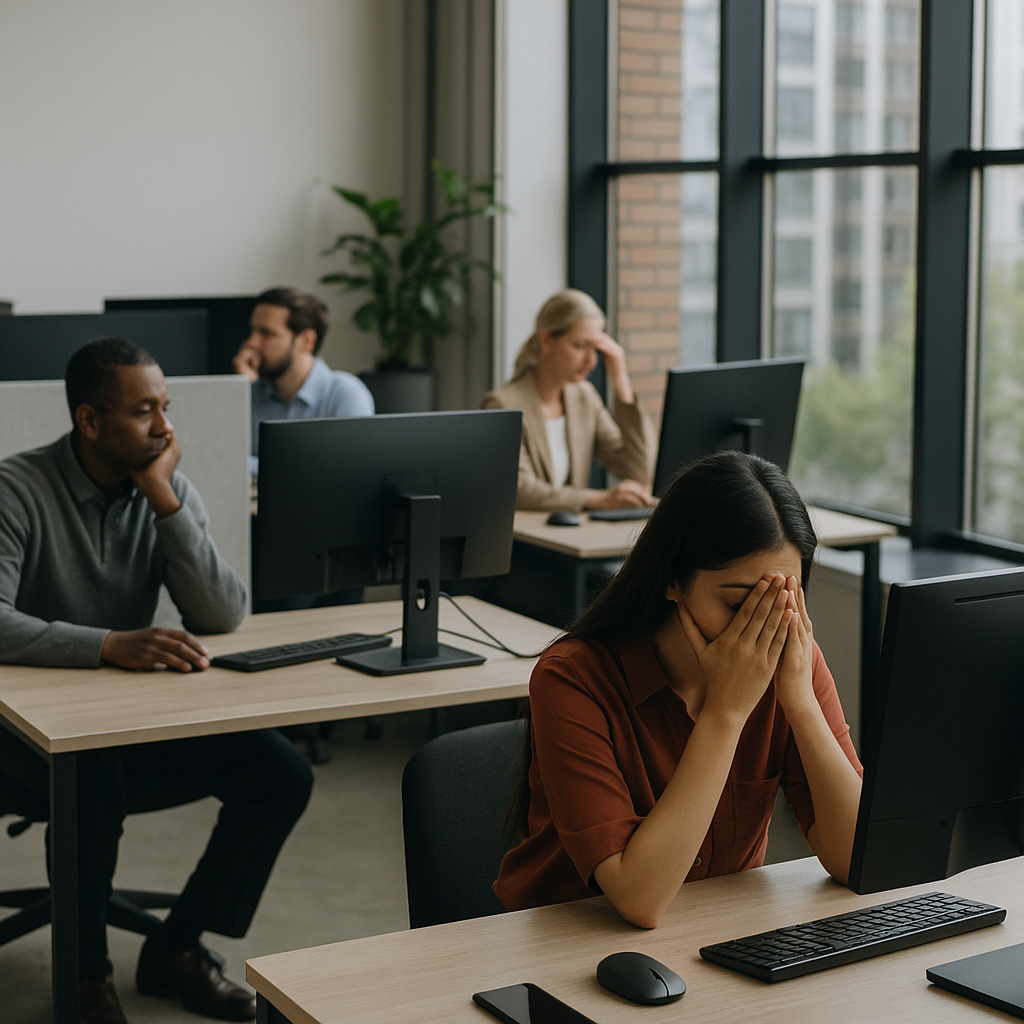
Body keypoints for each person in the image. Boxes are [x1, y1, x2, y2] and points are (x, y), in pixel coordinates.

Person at [0, 338, 313, 1024]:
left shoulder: (162, 484)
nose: (165, 427)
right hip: (19, 731)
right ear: (89, 421)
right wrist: (109, 644)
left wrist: (164, 500)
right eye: (144, 412)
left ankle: (175, 950)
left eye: (165, 407)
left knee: (280, 774)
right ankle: (83, 980)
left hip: (125, 718)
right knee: (91, 777)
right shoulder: (15, 489)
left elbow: (224, 613)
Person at [494, 451, 863, 929]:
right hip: (573, 940)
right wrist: (725, 714)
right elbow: (639, 899)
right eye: (738, 603)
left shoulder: (791, 658)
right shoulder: (572, 679)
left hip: (714, 933)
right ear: (672, 579)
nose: (762, 626)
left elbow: (857, 859)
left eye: (782, 600)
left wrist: (801, 702)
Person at [482, 289, 655, 511]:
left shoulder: (584, 397)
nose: (591, 360)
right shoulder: (502, 404)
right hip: (529, 538)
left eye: (596, 348)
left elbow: (638, 470)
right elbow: (520, 489)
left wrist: (621, 383)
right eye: (580, 346)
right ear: (546, 341)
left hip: (570, 535)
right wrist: (598, 499)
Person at [232, 286, 375, 474]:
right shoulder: (249, 391)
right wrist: (237, 389)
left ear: (307, 341)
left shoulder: (347, 394)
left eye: (266, 333)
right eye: (253, 331)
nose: (251, 342)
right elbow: (220, 458)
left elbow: (346, 470)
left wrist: (256, 467)